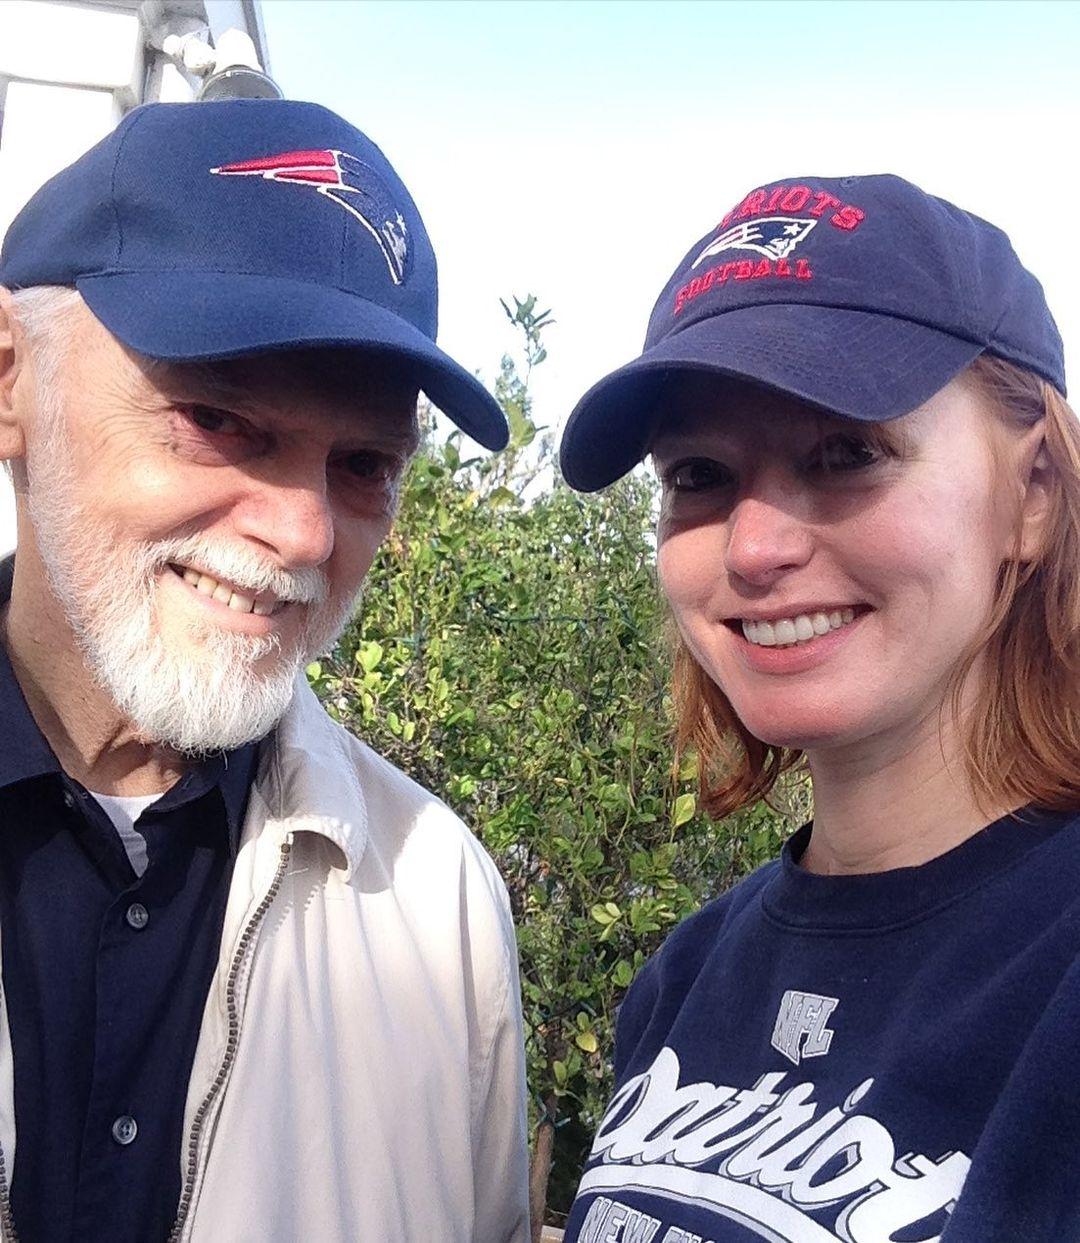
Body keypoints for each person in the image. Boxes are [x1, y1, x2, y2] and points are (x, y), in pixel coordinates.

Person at [0, 100, 529, 1242]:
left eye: (364, 464)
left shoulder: (439, 904)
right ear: (10, 381)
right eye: (219, 420)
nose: (303, 532)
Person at [556, 175, 1080, 1243]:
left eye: (846, 452)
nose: (754, 548)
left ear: (1031, 494)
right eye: (699, 474)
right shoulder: (687, 977)